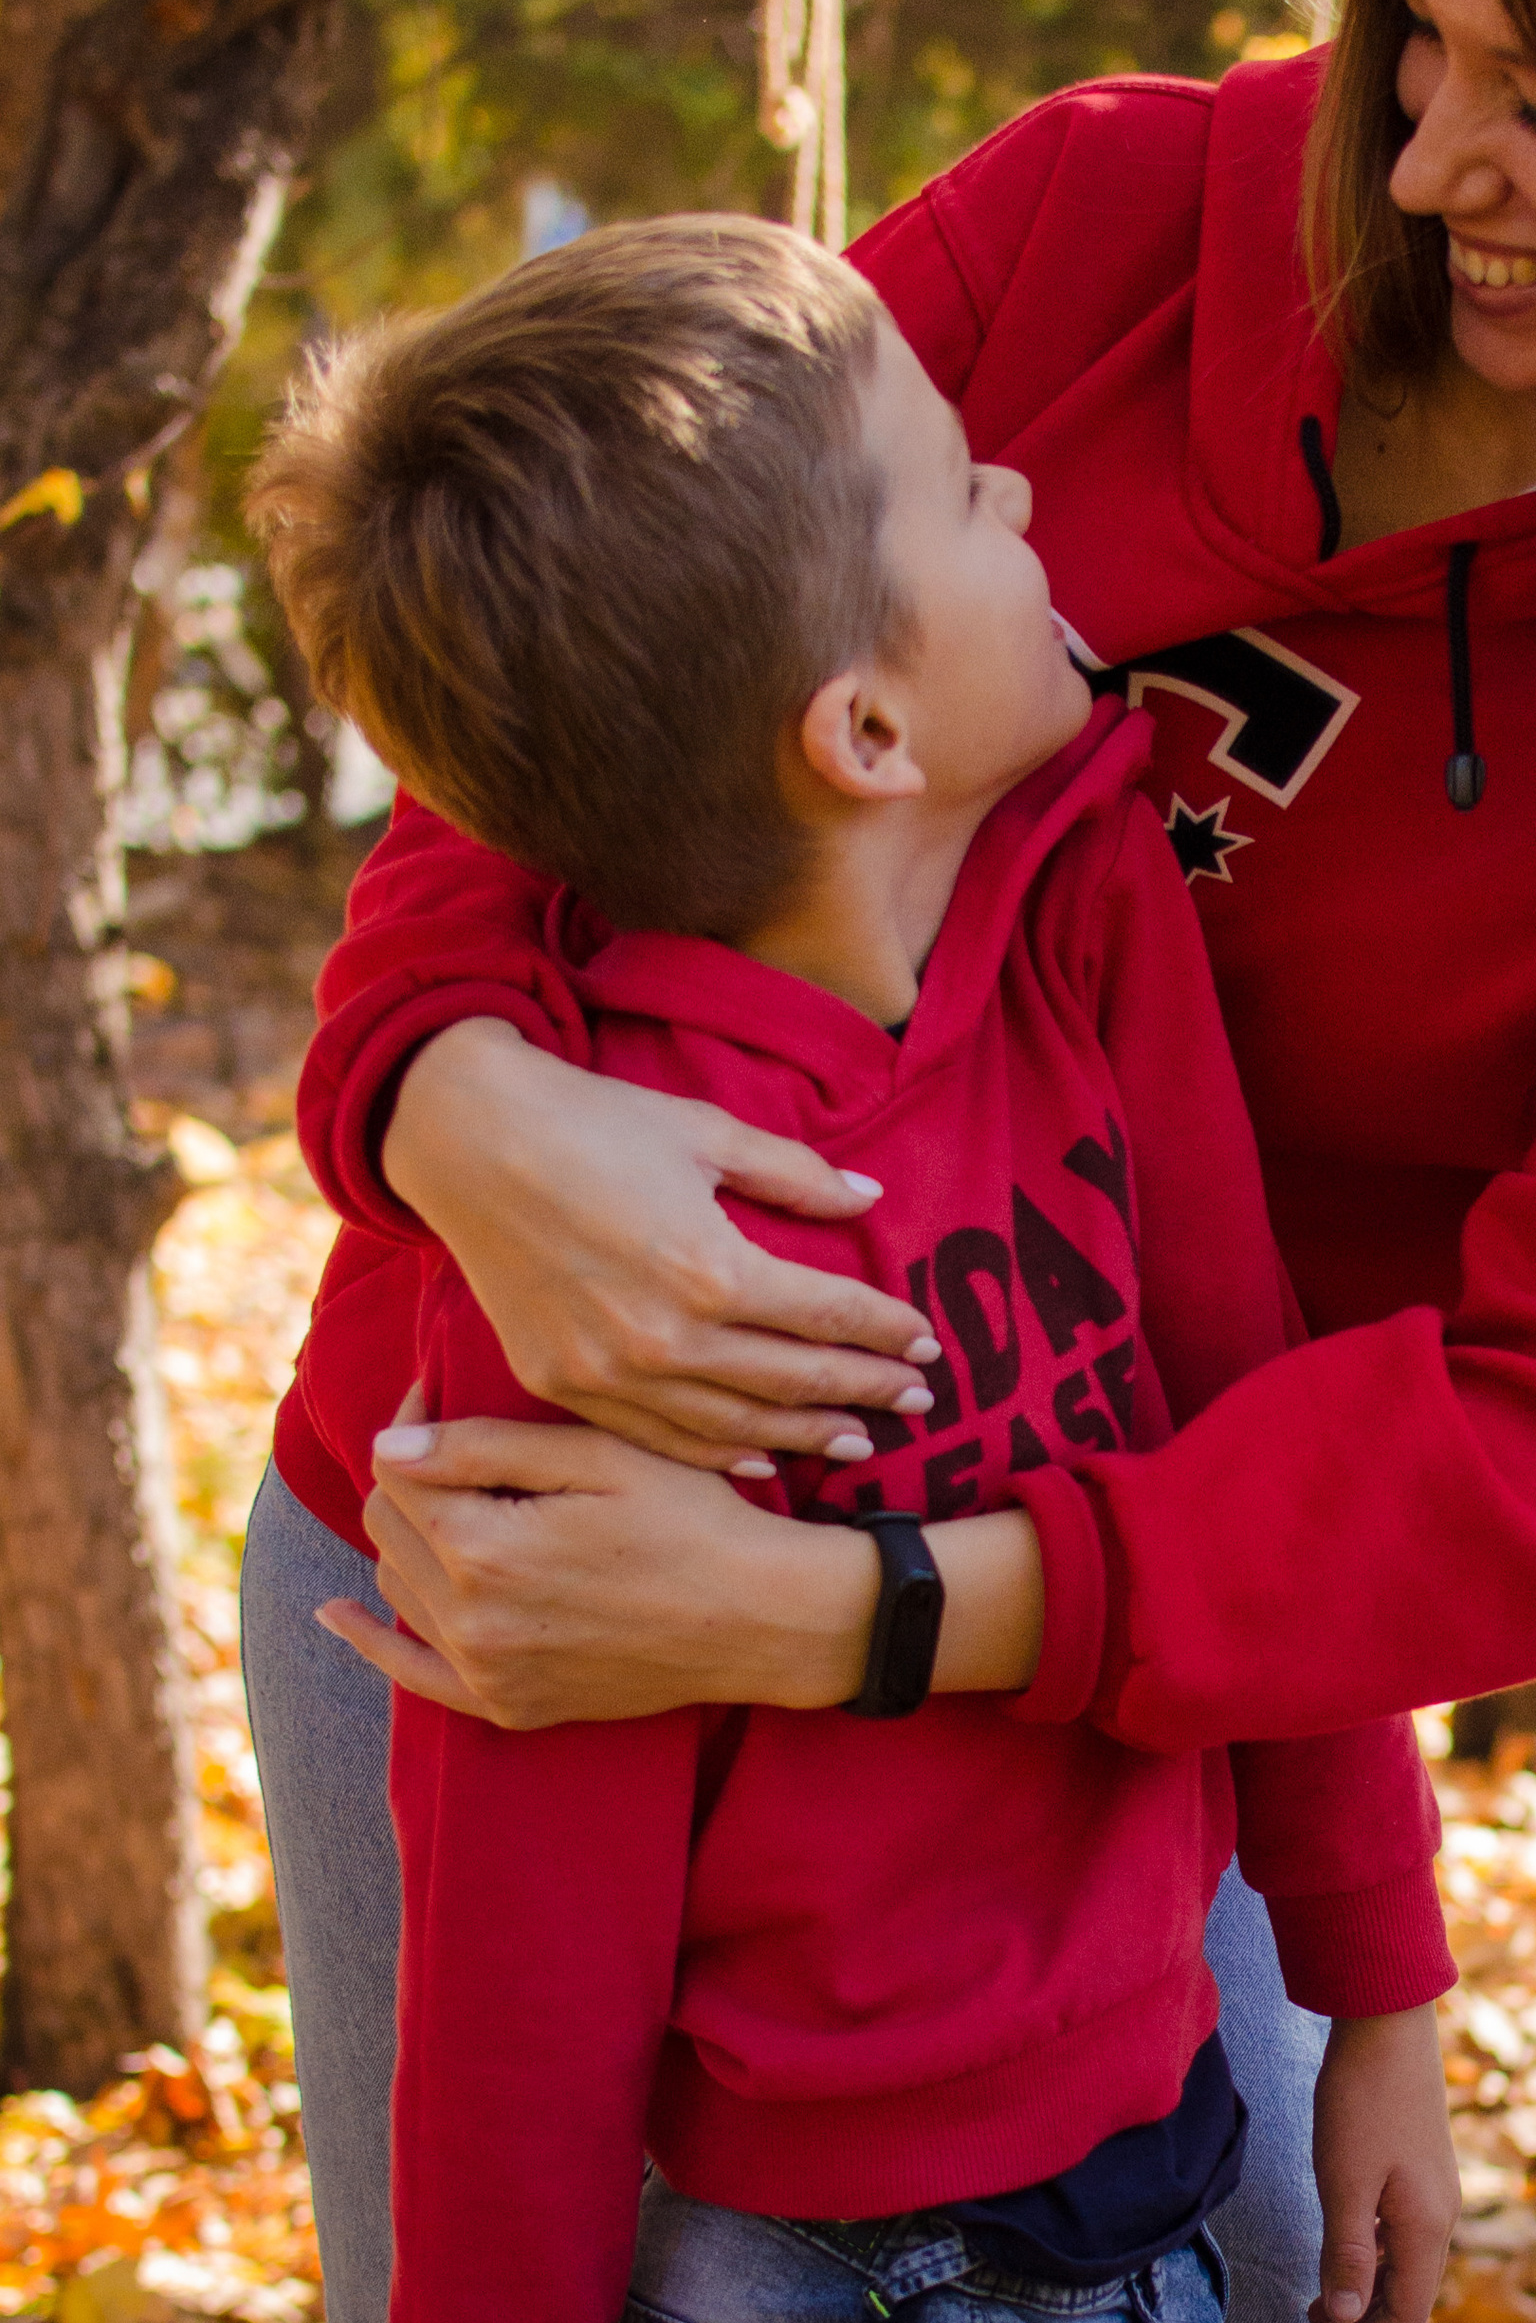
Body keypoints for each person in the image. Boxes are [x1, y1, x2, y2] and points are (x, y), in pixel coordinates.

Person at [241, 0, 1536, 2313]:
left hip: (1115, 1674)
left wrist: (1357, 1960)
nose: (1425, 161)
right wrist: (452, 1101)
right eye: (1415, 35)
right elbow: (563, 672)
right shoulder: (1106, 223)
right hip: (518, 1568)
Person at [245, 215, 1458, 2323]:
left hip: (1161, 2148)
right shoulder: (610, 1276)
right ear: (864, 730)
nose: (1027, 494)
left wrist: (1379, 1990)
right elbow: (522, 1982)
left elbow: (1255, 1432)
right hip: (804, 2264)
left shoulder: (1084, 915)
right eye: (965, 489)